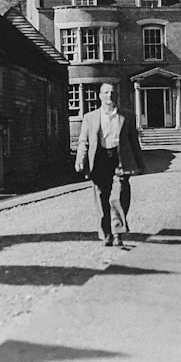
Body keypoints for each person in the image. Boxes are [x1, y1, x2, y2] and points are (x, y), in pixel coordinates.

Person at [75, 81, 146, 247]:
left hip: (119, 159)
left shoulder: (126, 116)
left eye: (113, 92)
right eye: (106, 92)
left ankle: (117, 232)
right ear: (100, 96)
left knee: (120, 195)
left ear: (117, 95)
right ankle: (106, 232)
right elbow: (83, 141)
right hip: (99, 159)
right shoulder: (90, 117)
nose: (109, 96)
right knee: (101, 197)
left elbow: (134, 142)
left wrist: (139, 163)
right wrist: (80, 159)